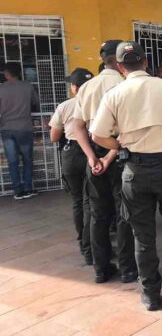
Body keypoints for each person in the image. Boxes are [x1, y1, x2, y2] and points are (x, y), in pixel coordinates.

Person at [91, 41, 162, 311]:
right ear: (146, 62)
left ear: (119, 67)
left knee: (143, 235)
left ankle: (150, 293)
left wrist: (121, 147)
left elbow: (98, 135)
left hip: (135, 173)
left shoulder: (114, 94)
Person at [73, 40, 136, 284]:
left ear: (103, 58)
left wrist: (92, 156)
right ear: (121, 62)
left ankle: (101, 268)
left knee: (99, 215)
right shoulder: (126, 85)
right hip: (120, 153)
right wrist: (111, 156)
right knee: (124, 213)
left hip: (94, 153)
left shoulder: (87, 87)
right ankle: (128, 268)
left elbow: (77, 126)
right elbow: (127, 130)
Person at [50, 68, 94, 264]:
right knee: (94, 201)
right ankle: (93, 240)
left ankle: (82, 240)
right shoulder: (97, 105)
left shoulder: (65, 106)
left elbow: (54, 137)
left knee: (78, 201)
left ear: (75, 88)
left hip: (72, 154)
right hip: (93, 152)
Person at [0, 62, 40, 200]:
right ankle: (28, 188)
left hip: (6, 129)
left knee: (13, 161)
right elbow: (36, 103)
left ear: (7, 74)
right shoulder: (28, 86)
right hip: (24, 128)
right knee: (28, 159)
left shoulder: (1, 88)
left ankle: (17, 190)